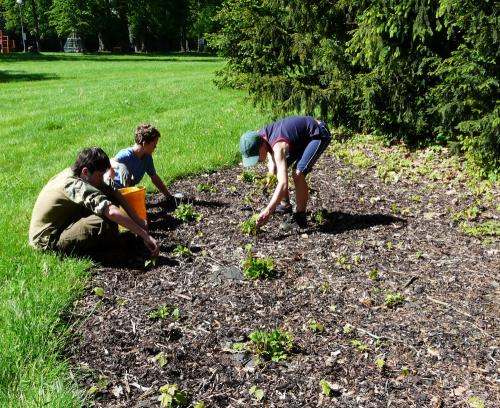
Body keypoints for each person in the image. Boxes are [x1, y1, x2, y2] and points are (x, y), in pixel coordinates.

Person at [29, 147, 159, 256]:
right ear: (85, 171)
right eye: (99, 175)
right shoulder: (74, 185)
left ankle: (112, 242)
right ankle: (113, 248)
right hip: (48, 241)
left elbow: (113, 191)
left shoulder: (77, 173)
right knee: (103, 221)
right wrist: (144, 235)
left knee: (109, 199)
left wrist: (139, 221)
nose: (101, 179)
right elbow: (112, 213)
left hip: (62, 224)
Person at [239, 115, 331, 228]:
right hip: (302, 137)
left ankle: (300, 218)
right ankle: (285, 205)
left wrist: (268, 210)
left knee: (298, 173)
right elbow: (271, 158)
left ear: (261, 146)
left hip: (317, 133)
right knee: (279, 168)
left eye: (256, 156)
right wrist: (271, 174)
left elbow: (283, 183)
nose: (256, 160)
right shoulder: (259, 136)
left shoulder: (278, 147)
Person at [112, 123, 173, 202]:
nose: (155, 147)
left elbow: (154, 178)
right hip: (113, 190)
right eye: (154, 145)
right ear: (144, 144)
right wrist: (120, 166)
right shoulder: (126, 154)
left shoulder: (147, 158)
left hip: (128, 192)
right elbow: (110, 162)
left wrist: (168, 195)